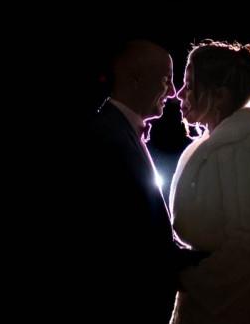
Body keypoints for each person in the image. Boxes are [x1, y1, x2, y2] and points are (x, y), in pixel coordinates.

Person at [74, 38, 204, 323]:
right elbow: (124, 239)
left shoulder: (116, 132)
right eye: (166, 80)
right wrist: (209, 262)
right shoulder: (104, 139)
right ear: (135, 79)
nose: (172, 92)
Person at [169, 40, 250, 324]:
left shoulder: (242, 151)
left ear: (220, 96)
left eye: (190, 85)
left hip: (230, 310)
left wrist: (190, 279)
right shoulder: (215, 147)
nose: (179, 94)